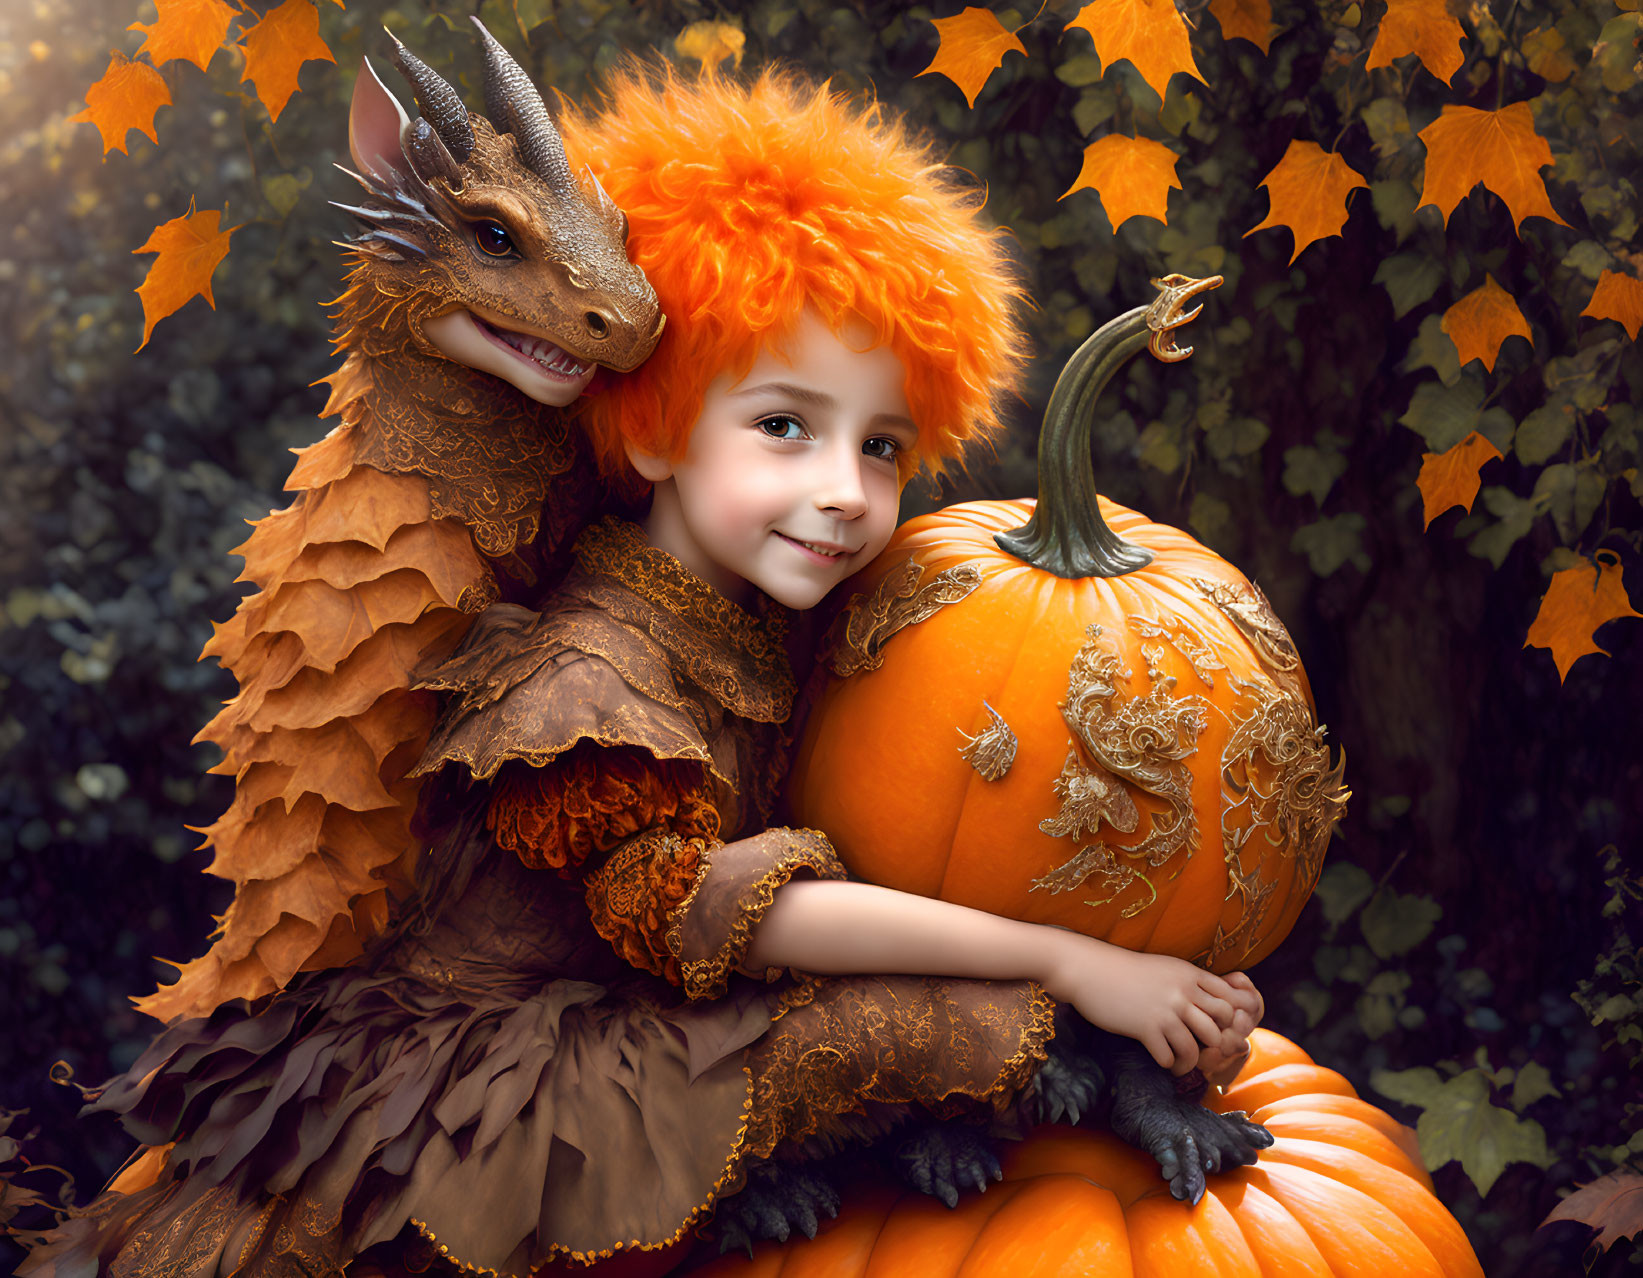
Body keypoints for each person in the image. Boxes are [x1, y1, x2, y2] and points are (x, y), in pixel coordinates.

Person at [22, 64, 1262, 1278]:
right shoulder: (588, 670)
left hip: (646, 1014)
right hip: (493, 1074)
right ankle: (1078, 1071)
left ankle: (1074, 1073)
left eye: (880, 446)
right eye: (784, 427)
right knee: (913, 1023)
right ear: (661, 426)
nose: (844, 491)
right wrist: (1070, 959)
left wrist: (1157, 920)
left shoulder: (782, 620)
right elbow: (712, 918)